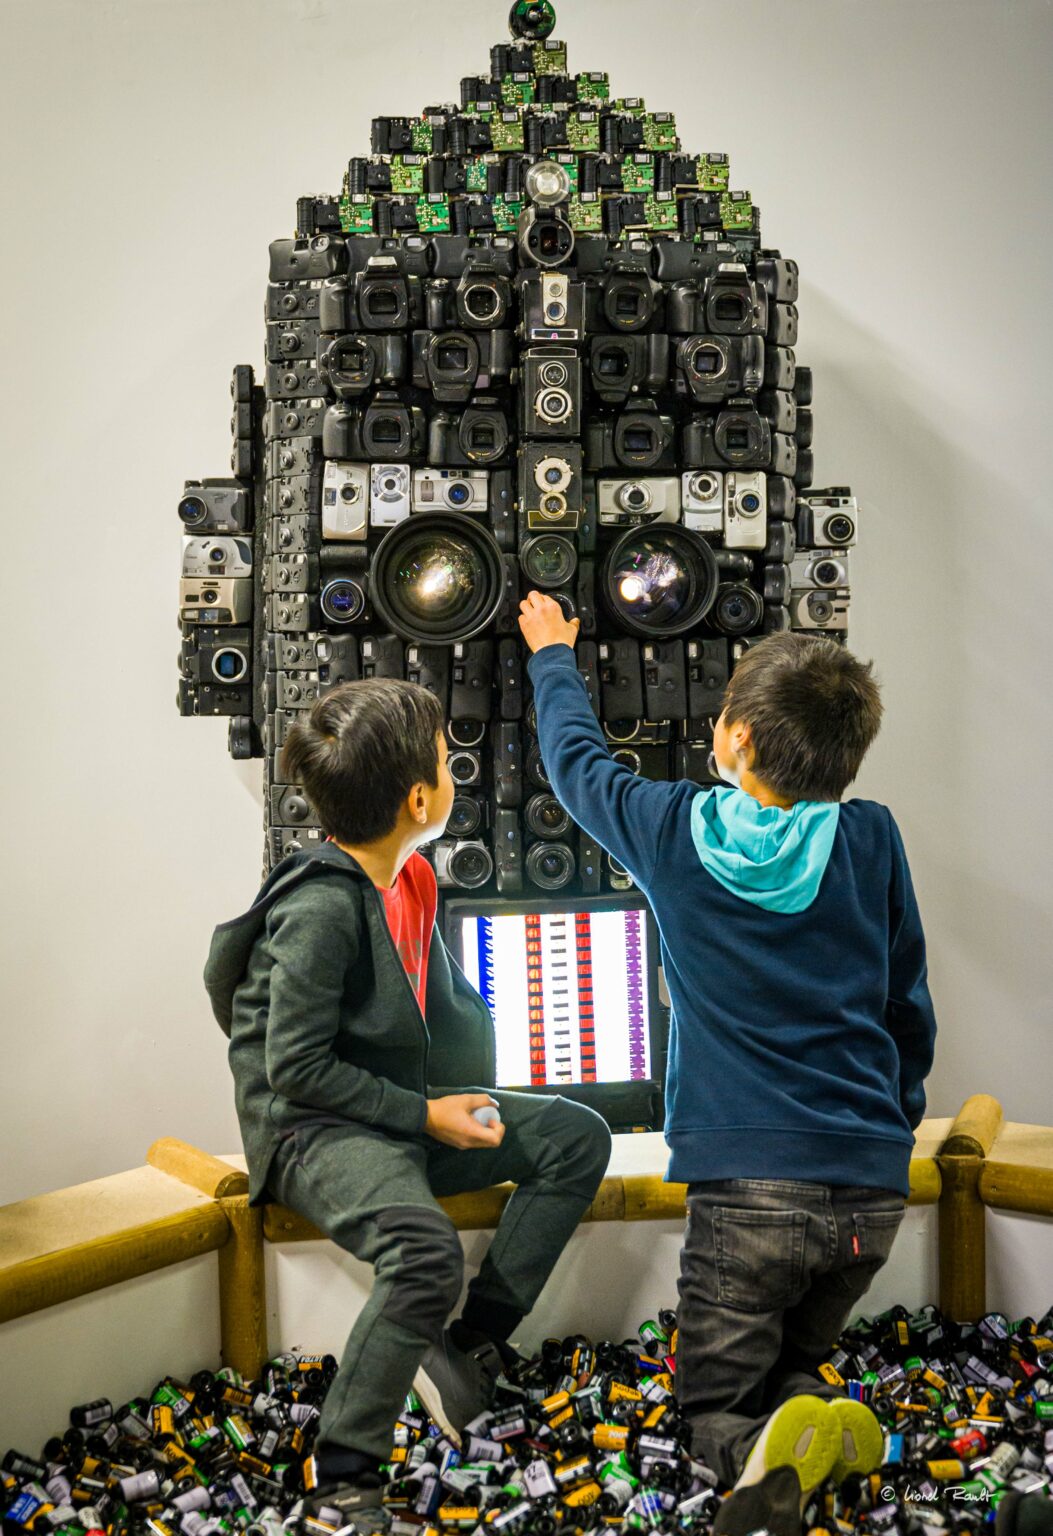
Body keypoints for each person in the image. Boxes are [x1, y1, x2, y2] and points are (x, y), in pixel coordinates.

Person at [517, 592, 937, 1536]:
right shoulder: (870, 838)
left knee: (710, 1408)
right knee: (792, 1355)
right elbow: (906, 1000)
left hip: (748, 1194)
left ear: (735, 738)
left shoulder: (673, 831)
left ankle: (754, 1479)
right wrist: (893, 1118)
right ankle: (817, 1420)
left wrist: (552, 655)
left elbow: (578, 768)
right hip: (870, 1191)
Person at [204, 678, 611, 1517]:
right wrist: (425, 1115)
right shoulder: (320, 907)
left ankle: (469, 1351)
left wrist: (448, 1097)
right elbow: (295, 1069)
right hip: (313, 1133)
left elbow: (430, 1013)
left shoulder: (411, 879)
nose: (453, 768)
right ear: (418, 797)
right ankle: (342, 1484)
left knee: (577, 1138)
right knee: (422, 1252)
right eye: (443, 759)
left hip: (391, 1109)